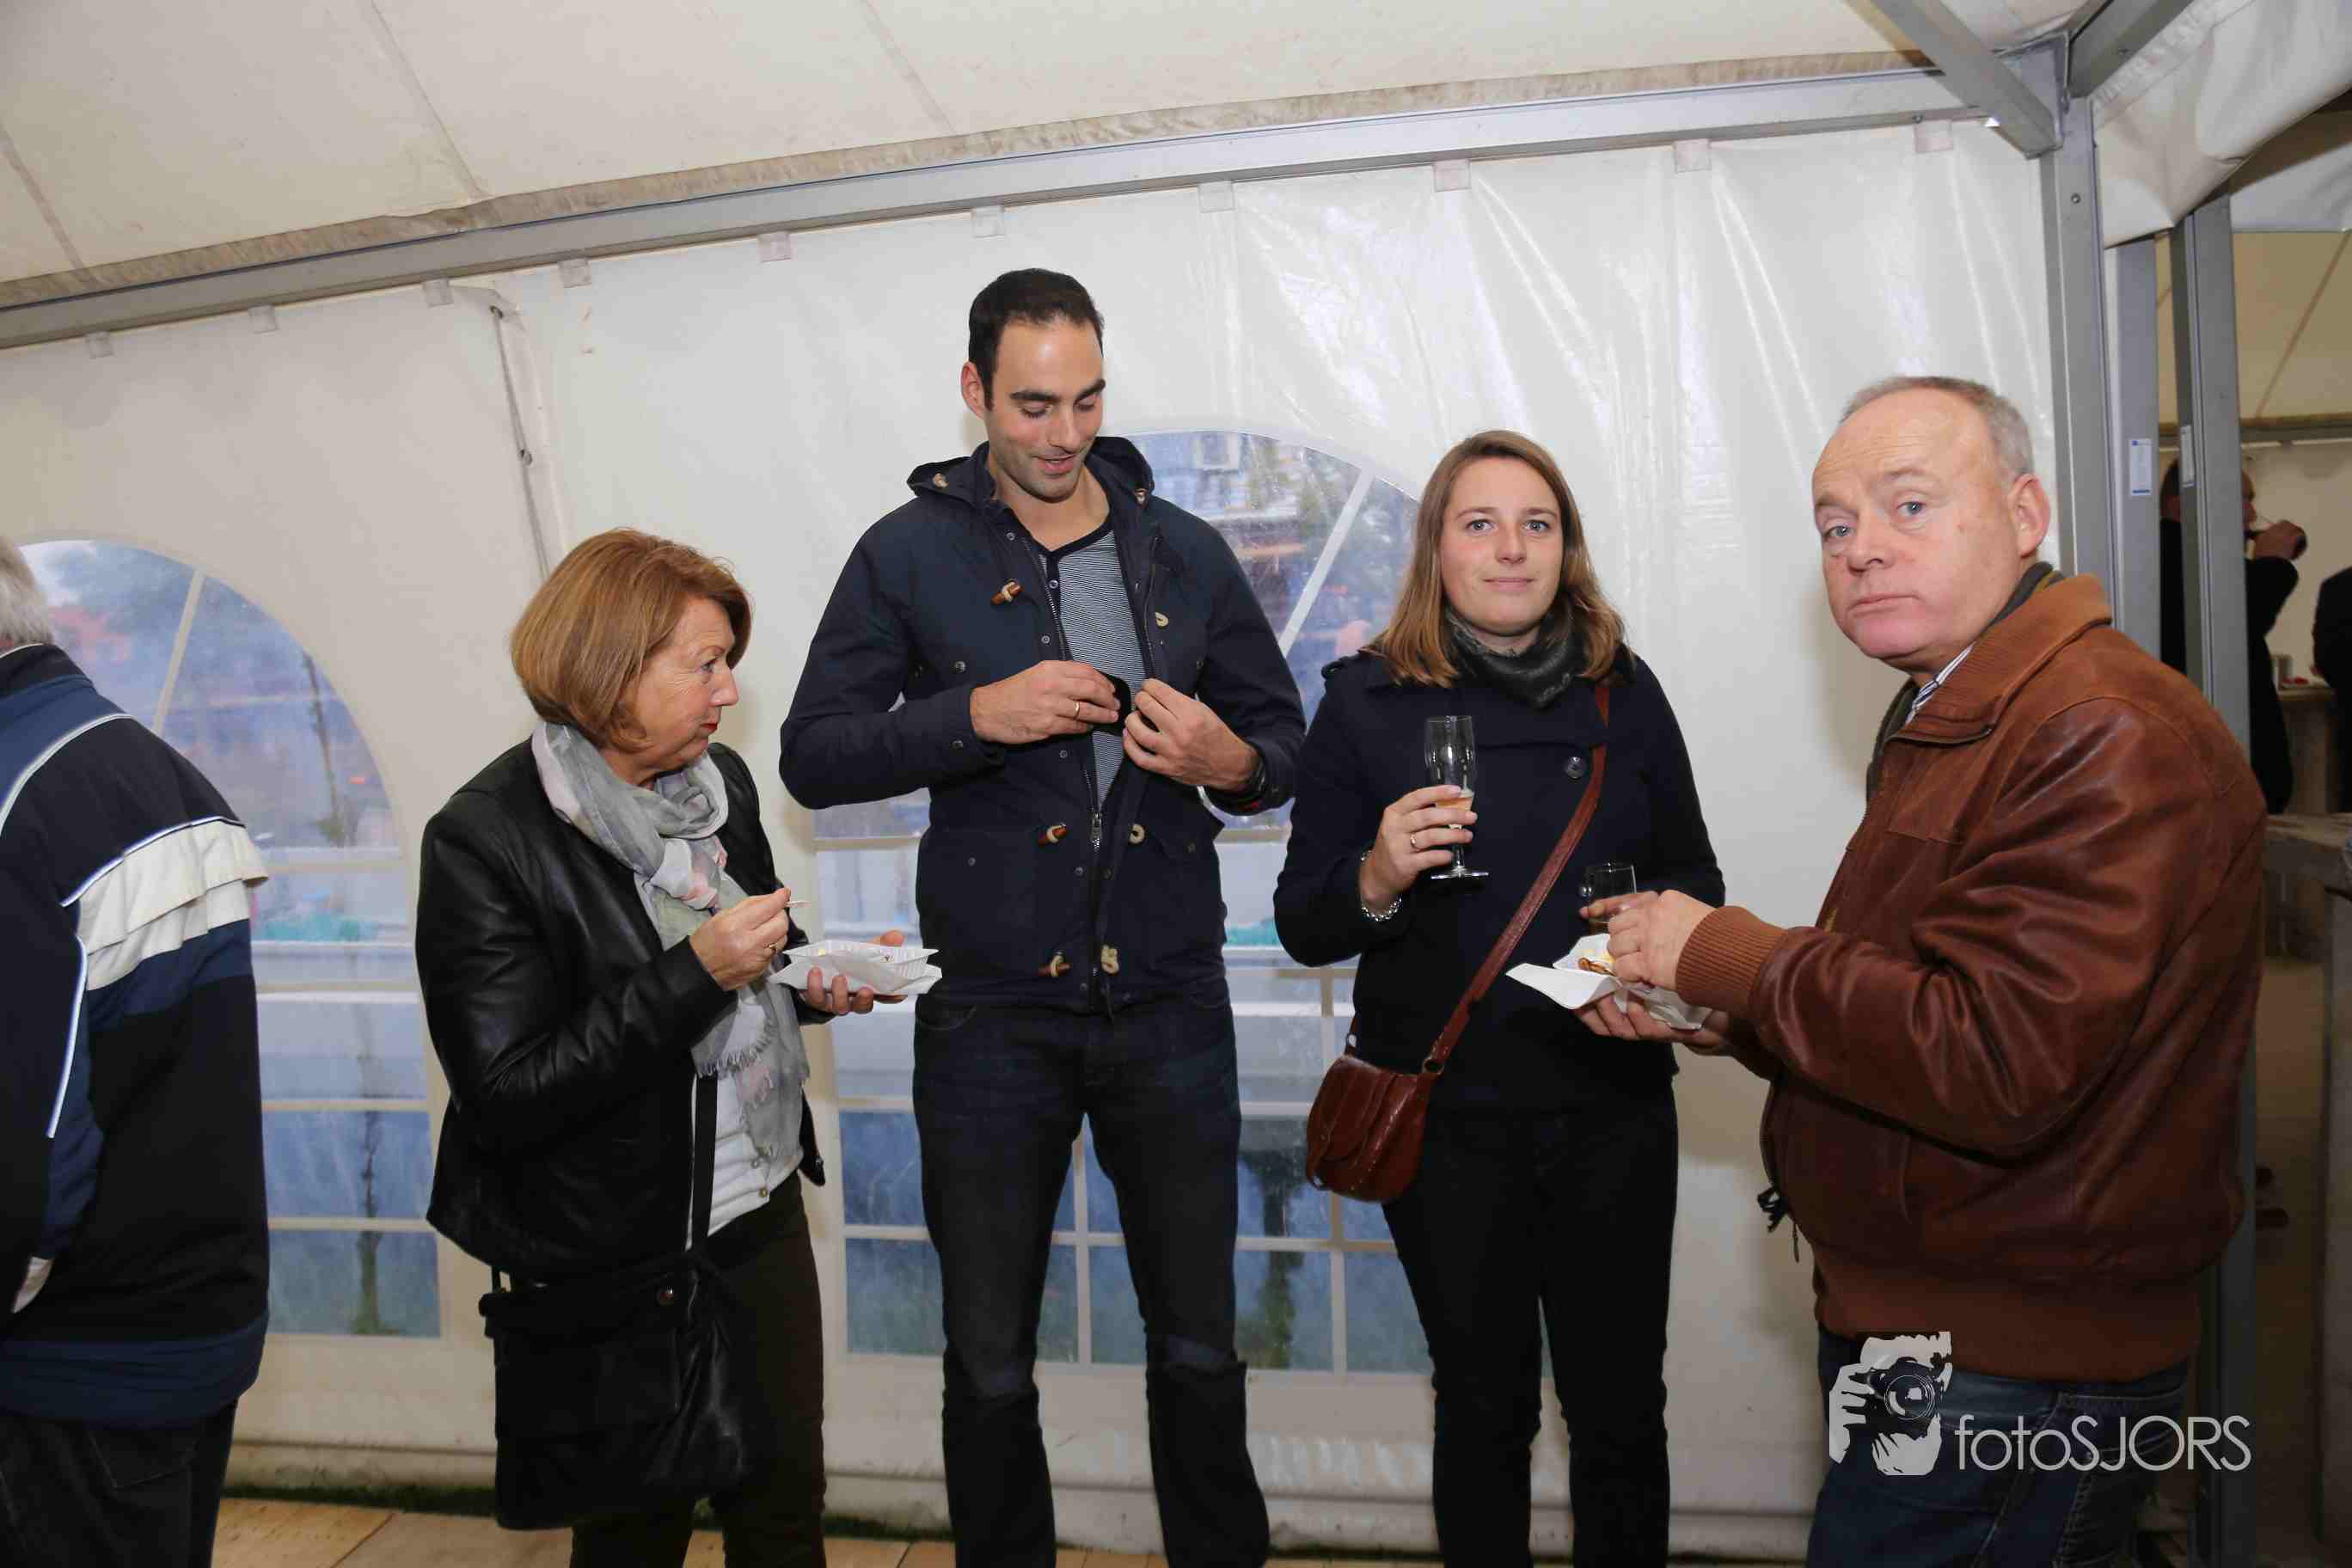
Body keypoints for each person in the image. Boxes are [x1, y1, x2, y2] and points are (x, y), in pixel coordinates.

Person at [1586, 377, 2263, 1566]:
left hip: (2015, 1364)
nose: (1861, 549)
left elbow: (2000, 1063)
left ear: (2025, 513)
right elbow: (1929, 994)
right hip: (1942, 1330)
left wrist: (1732, 953)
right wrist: (1734, 1013)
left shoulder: (2099, 729)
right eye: (1835, 525)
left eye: (1908, 505)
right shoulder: (1968, 709)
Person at [780, 268, 1302, 1567]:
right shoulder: (906, 552)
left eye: (1086, 401)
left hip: (1171, 1002)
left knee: (1200, 1344)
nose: (1064, 434)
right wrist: (973, 717)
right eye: (1032, 406)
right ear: (974, 391)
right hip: (993, 1012)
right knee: (989, 1359)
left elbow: (1283, 746)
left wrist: (1230, 762)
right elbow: (812, 755)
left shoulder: (1185, 549)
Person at [1273, 431, 1722, 1565]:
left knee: (1620, 1408)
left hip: (1611, 1107)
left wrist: (1632, 964)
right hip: (1447, 1123)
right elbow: (1303, 921)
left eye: (1537, 524)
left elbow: (1697, 884)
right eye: (1481, 524)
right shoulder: (1368, 701)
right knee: (1483, 1406)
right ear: (1437, 547)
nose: (1511, 548)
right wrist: (1377, 873)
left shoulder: (1625, 693)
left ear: (1567, 548)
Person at [417, 530, 896, 1568]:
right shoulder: (485, 839)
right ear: (612, 668)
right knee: (634, 1535)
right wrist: (697, 974)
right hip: (612, 1250)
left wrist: (819, 978)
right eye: (706, 663)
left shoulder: (717, 786)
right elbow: (507, 1093)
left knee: (784, 1515)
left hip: (756, 1209)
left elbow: (757, 959)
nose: (730, 690)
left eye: (728, 661)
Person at [0, 539, 270, 1567]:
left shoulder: (15, 800)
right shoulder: (137, 761)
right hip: (184, 1326)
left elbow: (27, 1163)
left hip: (66, 1367)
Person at [2159, 459, 2301, 811]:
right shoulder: (2174, 561)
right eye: (2241, 499)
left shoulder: (2196, 561)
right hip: (2210, 787)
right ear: (2181, 507)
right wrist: (2272, 564)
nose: (2251, 515)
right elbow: (2236, 622)